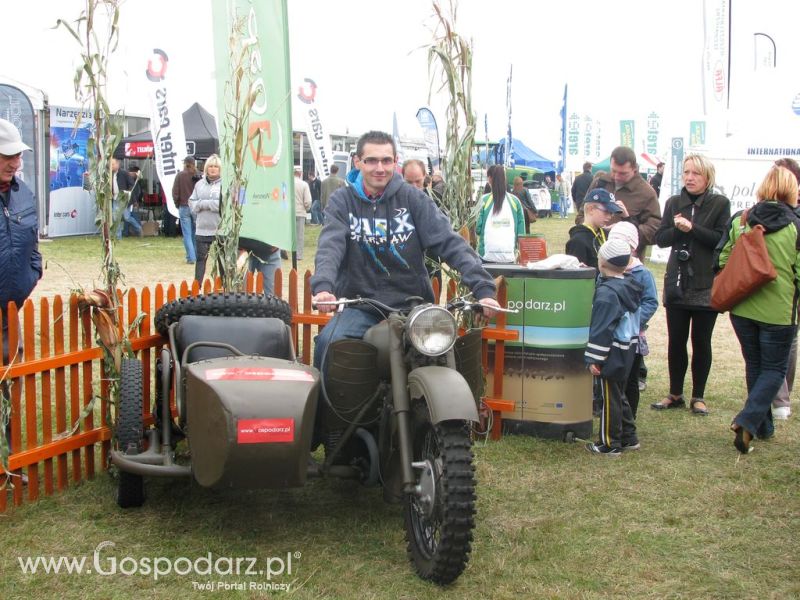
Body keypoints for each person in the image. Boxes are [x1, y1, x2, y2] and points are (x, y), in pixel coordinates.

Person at [310, 130, 500, 370]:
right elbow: (330, 245)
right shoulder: (342, 201)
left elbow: (449, 242)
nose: (380, 168)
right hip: (361, 305)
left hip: (413, 306)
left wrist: (482, 287)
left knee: (444, 354)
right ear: (358, 162)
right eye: (371, 160)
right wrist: (324, 287)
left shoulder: (413, 198)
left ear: (395, 162)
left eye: (386, 160)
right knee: (329, 343)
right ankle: (327, 409)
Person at [719, 165, 800, 453]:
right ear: (793, 190)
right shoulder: (796, 226)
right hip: (779, 311)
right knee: (775, 369)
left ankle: (763, 426)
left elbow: (724, 257)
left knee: (755, 366)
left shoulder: (741, 220)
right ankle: (749, 420)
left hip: (742, 307)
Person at [652, 154, 730, 415]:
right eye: (686, 172)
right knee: (676, 340)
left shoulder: (719, 204)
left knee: (701, 341)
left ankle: (699, 396)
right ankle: (675, 393)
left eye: (695, 173)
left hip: (706, 282)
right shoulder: (674, 202)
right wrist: (678, 229)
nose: (689, 177)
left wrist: (692, 228)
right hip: (677, 282)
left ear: (707, 176)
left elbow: (719, 239)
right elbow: (660, 238)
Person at [0, 118, 43, 463]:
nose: (15, 162)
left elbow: (33, 243)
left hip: (9, 315)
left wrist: (32, 273)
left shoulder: (22, 192)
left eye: (17, 155)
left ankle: (7, 458)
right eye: (7, 156)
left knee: (7, 385)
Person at [584, 238, 643, 456]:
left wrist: (594, 359)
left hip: (611, 350)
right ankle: (629, 437)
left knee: (609, 398)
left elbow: (602, 330)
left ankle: (609, 443)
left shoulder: (607, 295)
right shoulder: (629, 285)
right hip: (628, 347)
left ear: (602, 262)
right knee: (619, 394)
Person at [608, 222, 658, 418]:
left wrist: (633, 321)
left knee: (630, 379)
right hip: (612, 335)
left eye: (622, 245)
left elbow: (651, 302)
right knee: (614, 377)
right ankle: (613, 414)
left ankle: (629, 417)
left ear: (633, 247)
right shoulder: (607, 270)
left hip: (634, 337)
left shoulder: (642, 273)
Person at [578, 147, 662, 257]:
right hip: (594, 256)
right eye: (613, 171)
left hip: (625, 263)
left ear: (634, 169)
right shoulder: (600, 182)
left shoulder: (646, 193)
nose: (617, 176)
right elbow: (581, 216)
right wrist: (596, 228)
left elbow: (655, 230)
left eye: (623, 173)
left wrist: (622, 232)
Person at [771, 157, 800, 419]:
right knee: (781, 341)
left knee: (790, 341)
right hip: (775, 292)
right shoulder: (757, 213)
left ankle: (782, 395)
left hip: (790, 292)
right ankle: (779, 399)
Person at [475, 165, 525, 263]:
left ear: (489, 179)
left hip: (486, 256)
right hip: (509, 257)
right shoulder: (515, 202)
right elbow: (521, 233)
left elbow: (478, 229)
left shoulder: (483, 200)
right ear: (505, 179)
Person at [565, 188, 622, 270]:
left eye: (612, 213)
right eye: (606, 212)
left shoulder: (605, 234)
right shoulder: (577, 241)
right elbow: (576, 277)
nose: (610, 216)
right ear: (591, 209)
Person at [189, 154, 223, 283]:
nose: (213, 169)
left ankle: (225, 289)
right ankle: (197, 287)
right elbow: (192, 203)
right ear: (206, 168)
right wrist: (207, 204)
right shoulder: (199, 184)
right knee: (201, 260)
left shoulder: (224, 184)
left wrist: (203, 203)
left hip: (220, 230)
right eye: (210, 166)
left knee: (222, 262)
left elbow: (222, 204)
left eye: (216, 166)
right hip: (202, 229)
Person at [173, 156, 199, 264]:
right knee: (196, 233)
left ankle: (191, 257)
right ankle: (197, 255)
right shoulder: (198, 175)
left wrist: (177, 203)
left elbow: (175, 191)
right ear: (194, 164)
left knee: (187, 234)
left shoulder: (180, 175)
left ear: (185, 163)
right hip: (196, 206)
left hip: (184, 206)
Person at [294, 166, 312, 260]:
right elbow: (307, 201)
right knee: (299, 235)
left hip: (289, 213)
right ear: (300, 173)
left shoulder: (287, 183)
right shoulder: (304, 184)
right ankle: (298, 255)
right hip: (300, 212)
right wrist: (307, 208)